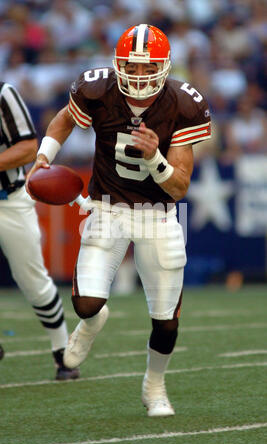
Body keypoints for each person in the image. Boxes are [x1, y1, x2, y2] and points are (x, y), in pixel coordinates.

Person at [27, 24, 211, 416]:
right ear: (117, 63)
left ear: (164, 68)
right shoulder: (97, 88)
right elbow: (63, 119)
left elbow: (179, 187)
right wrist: (45, 155)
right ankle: (91, 326)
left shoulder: (183, 102)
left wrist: (154, 158)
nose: (140, 76)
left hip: (157, 216)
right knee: (86, 303)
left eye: (149, 69)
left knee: (165, 320)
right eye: (132, 66)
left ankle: (155, 385)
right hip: (107, 207)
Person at [0, 81, 79, 381]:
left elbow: (28, 148)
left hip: (8, 198)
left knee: (31, 279)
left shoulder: (3, 94)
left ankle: (63, 352)